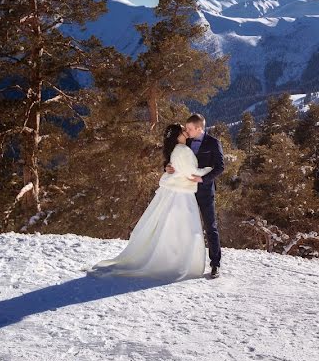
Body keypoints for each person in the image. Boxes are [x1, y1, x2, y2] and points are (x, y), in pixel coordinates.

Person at [88, 124, 212, 281]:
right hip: (182, 194)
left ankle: (171, 258)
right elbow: (192, 172)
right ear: (176, 136)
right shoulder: (182, 150)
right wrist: (210, 170)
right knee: (182, 228)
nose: (186, 132)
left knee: (171, 227)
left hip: (175, 191)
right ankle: (176, 262)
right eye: (182, 131)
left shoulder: (178, 149)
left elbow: (179, 166)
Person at [166, 113, 225, 278]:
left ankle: (215, 264)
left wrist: (203, 178)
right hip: (185, 191)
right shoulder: (187, 141)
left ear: (199, 128)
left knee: (210, 227)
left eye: (190, 128)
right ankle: (183, 262)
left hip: (205, 191)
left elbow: (220, 167)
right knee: (185, 228)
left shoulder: (214, 143)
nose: (187, 130)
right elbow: (174, 156)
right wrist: (167, 166)